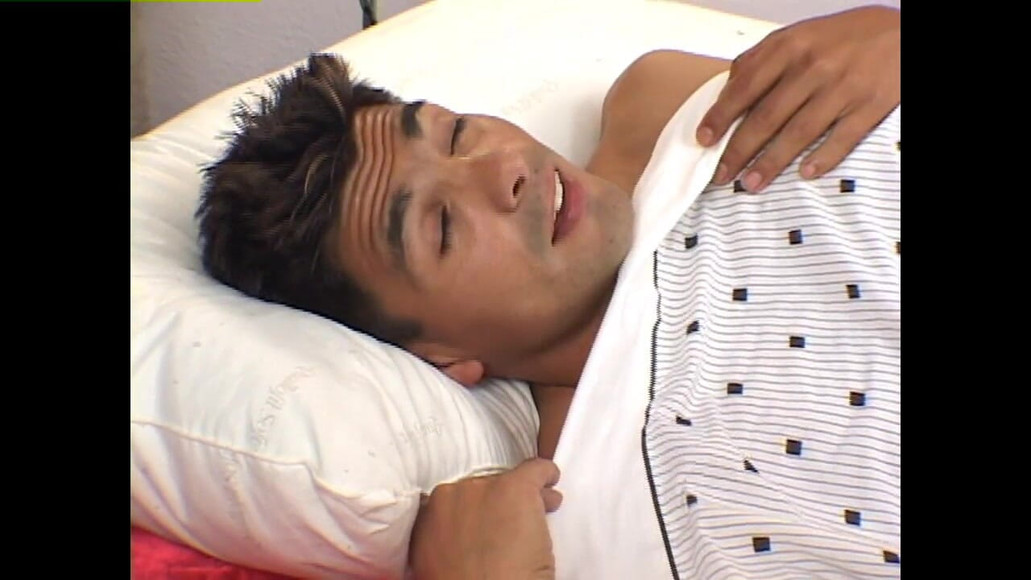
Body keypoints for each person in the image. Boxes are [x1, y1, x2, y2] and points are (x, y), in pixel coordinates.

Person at [196, 5, 900, 578]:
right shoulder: (616, 506)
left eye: (457, 134)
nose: (504, 168)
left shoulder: (668, 106)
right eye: (442, 227)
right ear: (440, 357)